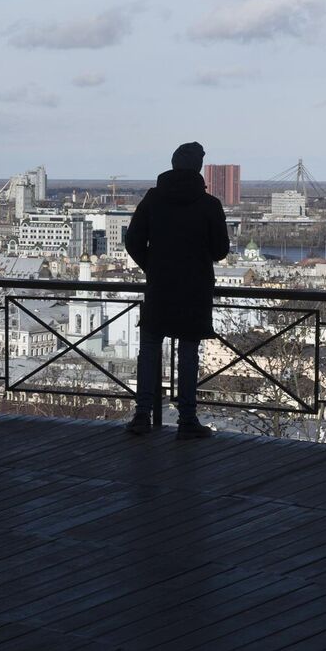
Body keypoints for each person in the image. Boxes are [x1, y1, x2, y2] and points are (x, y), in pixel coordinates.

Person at [123, 141, 229, 439]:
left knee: (150, 350)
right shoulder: (209, 205)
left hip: (160, 288)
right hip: (195, 289)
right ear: (198, 167)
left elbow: (132, 240)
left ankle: (142, 415)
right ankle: (187, 420)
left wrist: (153, 267)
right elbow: (220, 250)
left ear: (173, 164)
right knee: (188, 353)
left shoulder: (153, 200)